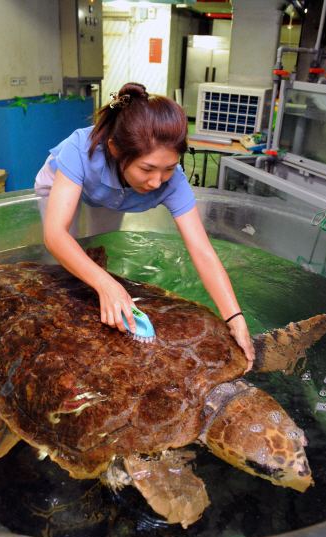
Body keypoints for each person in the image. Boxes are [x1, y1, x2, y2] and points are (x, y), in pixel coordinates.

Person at [35, 82, 255, 371]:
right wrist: (106, 285)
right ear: (115, 149)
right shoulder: (80, 149)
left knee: (101, 249)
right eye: (147, 168)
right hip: (61, 182)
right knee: (66, 260)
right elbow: (55, 235)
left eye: (168, 168)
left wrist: (235, 319)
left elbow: (203, 252)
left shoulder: (171, 183)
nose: (156, 182)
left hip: (113, 194)